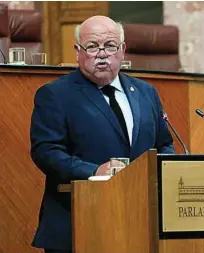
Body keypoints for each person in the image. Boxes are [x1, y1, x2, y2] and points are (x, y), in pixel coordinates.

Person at [30, 15, 175, 253]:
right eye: (92, 46)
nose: (102, 53)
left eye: (110, 46)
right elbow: (46, 151)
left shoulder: (146, 92)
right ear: (78, 51)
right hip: (78, 222)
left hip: (140, 221)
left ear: (122, 50)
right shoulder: (55, 95)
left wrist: (158, 170)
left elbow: (165, 144)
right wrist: (94, 171)